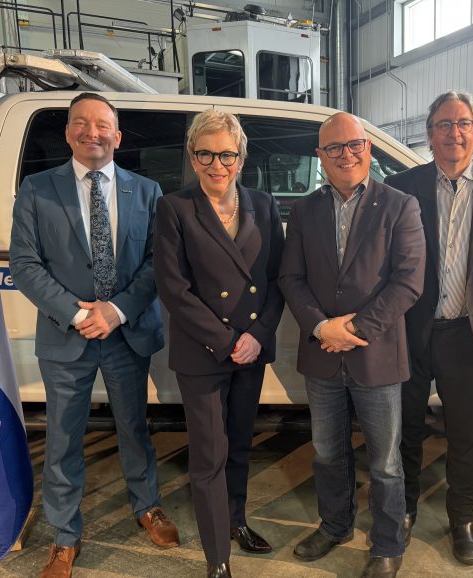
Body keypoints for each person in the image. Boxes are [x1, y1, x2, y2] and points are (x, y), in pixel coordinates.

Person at [9, 92, 179, 578]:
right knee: (63, 437)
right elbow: (24, 263)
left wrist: (117, 310)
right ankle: (65, 535)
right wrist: (74, 312)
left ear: (117, 136)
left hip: (127, 332)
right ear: (68, 133)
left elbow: (157, 262)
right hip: (67, 333)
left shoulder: (146, 191)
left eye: (102, 124)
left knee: (134, 427)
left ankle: (147, 505)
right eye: (81, 123)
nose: (92, 132)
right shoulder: (37, 189)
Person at [384, 90, 473, 565]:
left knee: (465, 435)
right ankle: (404, 509)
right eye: (443, 124)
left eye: (464, 123)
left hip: (469, 333)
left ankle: (462, 518)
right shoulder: (402, 186)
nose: (454, 133)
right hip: (410, 329)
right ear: (429, 135)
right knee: (405, 429)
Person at [279, 112, 425, 578]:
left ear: (368, 148)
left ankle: (387, 543)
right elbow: (291, 277)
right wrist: (322, 327)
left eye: (354, 144)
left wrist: (355, 329)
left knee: (385, 461)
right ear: (319, 157)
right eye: (334, 148)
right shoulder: (305, 210)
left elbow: (409, 281)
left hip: (376, 353)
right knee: (327, 452)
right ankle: (335, 525)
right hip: (321, 352)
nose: (346, 154)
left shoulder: (400, 205)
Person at [153, 110, 284, 578]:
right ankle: (217, 559)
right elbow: (174, 289)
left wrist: (258, 335)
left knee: (241, 444)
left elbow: (277, 279)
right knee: (210, 455)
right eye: (205, 154)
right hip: (204, 352)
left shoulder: (263, 204)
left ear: (241, 159)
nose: (216, 164)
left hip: (251, 348)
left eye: (226, 154)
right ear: (193, 157)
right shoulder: (175, 208)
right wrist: (228, 340)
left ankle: (236, 521)